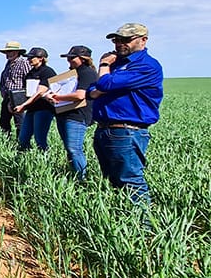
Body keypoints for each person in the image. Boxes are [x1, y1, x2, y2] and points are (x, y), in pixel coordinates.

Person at [88, 23, 163, 204]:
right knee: (111, 181)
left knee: (130, 181)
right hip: (105, 129)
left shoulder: (146, 66)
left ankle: (143, 228)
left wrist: (104, 65)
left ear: (143, 40)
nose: (119, 44)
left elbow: (103, 85)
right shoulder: (118, 64)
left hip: (126, 131)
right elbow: (92, 89)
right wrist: (102, 85)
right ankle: (123, 225)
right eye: (117, 40)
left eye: (126, 40)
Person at [48, 46, 98, 181]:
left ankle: (82, 179)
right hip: (64, 113)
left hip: (77, 115)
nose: (69, 60)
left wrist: (57, 97)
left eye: (71, 58)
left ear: (83, 58)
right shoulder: (72, 74)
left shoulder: (87, 73)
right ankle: (74, 176)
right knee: (69, 149)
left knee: (74, 149)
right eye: (68, 58)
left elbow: (80, 95)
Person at [13, 47, 57, 152]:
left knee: (40, 139)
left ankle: (44, 160)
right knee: (23, 138)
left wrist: (23, 106)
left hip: (44, 109)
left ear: (41, 58)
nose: (29, 60)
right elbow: (26, 92)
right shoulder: (30, 73)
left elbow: (39, 92)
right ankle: (27, 160)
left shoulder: (47, 72)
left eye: (32, 57)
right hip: (32, 109)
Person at [0, 41, 31, 136]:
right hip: (7, 97)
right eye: (7, 52)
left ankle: (21, 145)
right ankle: (6, 143)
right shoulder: (8, 64)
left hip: (18, 98)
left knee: (20, 124)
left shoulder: (24, 63)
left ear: (17, 52)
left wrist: (25, 98)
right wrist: (2, 90)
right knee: (4, 122)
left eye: (10, 51)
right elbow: (4, 79)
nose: (7, 54)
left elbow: (29, 80)